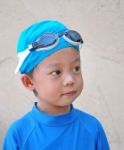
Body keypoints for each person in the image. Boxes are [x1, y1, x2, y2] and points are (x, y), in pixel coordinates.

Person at [2, 20, 110, 150]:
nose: (70, 79)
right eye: (56, 72)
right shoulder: (19, 135)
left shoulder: (92, 128)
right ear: (29, 82)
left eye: (76, 68)